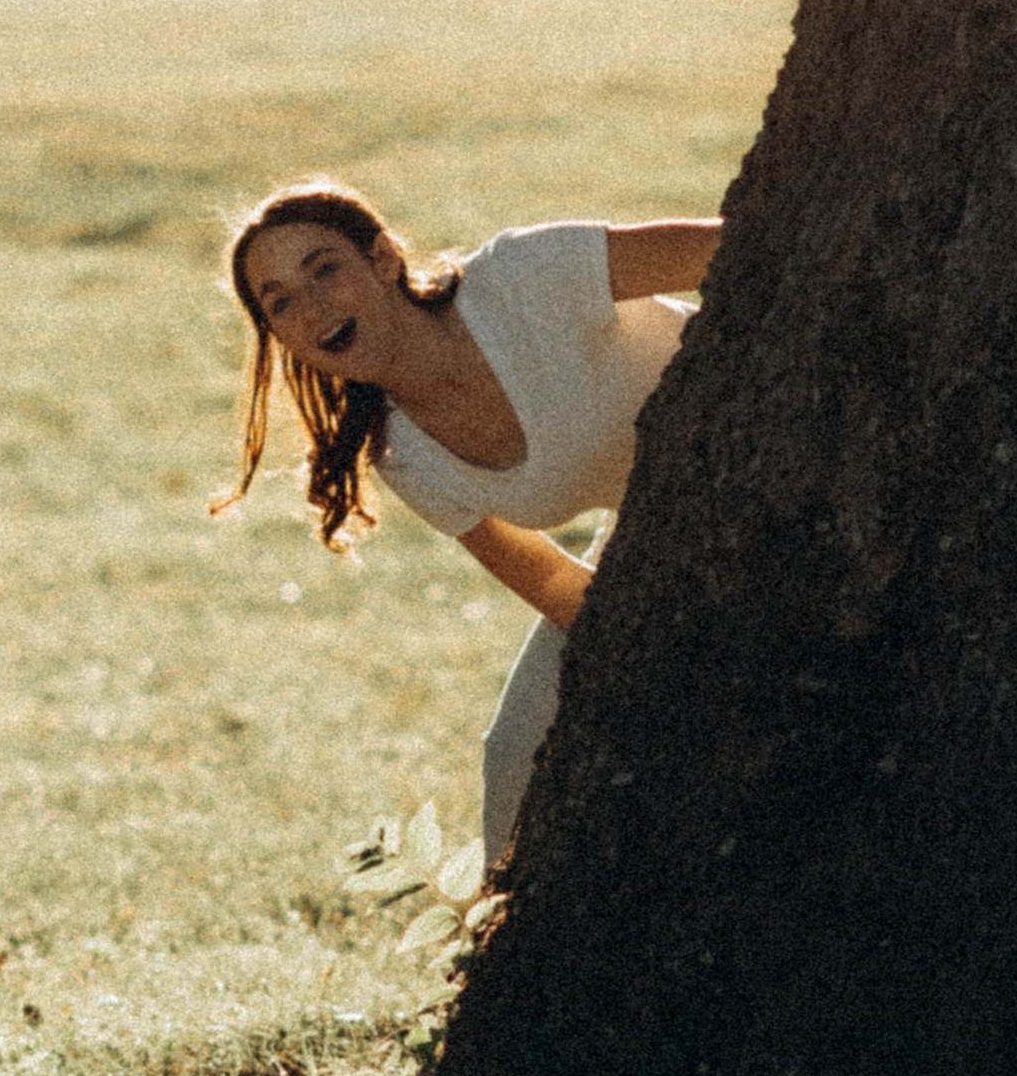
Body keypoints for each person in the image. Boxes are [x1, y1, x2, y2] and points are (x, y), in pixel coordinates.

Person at [222, 179, 721, 866]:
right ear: (279, 336)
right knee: (516, 752)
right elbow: (548, 580)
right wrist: (671, 647)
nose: (312, 307)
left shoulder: (521, 279)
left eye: (325, 269)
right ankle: (497, 937)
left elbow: (729, 248)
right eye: (280, 302)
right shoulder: (403, 453)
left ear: (384, 260)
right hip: (660, 530)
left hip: (777, 446)